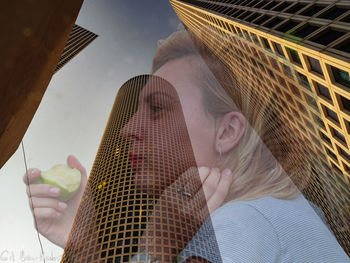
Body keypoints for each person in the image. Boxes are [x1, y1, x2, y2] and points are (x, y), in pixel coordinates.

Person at [24, 30, 350, 262]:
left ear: (228, 131)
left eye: (157, 108)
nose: (127, 130)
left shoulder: (238, 224)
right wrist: (85, 244)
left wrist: (157, 246)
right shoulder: (281, 213)